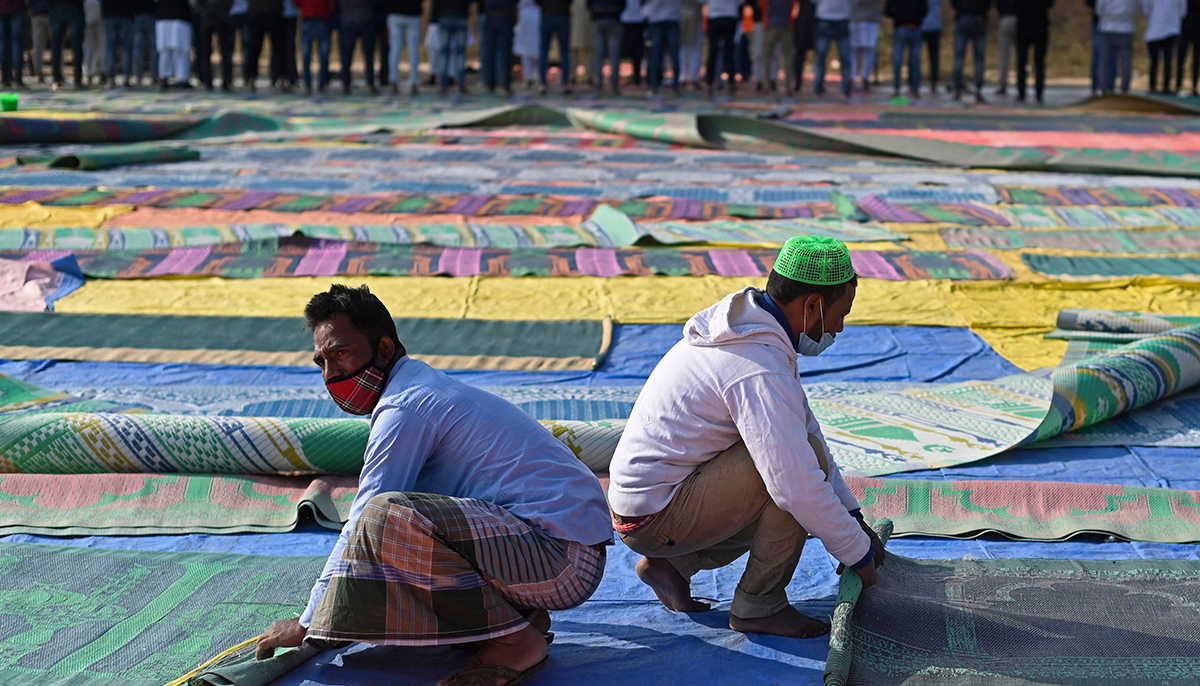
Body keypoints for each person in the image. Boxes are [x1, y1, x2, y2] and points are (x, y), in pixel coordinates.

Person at [254, 285, 611, 686]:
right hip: (555, 550)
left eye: (341, 353)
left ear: (385, 350)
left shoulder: (406, 407)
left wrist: (309, 623)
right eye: (321, 361)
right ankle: (519, 615)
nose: (330, 373)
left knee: (385, 517)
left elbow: (366, 519)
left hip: (560, 560)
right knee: (396, 538)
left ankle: (515, 642)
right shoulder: (419, 390)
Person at [608, 236, 887, 638]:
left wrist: (852, 517)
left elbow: (806, 426)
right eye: (840, 314)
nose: (839, 329)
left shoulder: (752, 331)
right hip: (656, 516)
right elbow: (797, 485)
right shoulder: (757, 363)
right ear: (812, 306)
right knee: (793, 476)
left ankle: (671, 566)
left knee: (796, 457)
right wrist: (858, 556)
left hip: (649, 506)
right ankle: (760, 605)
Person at [950, 0, 989, 102]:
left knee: (959, 56)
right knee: (979, 59)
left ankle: (957, 88)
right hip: (978, 18)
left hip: (963, 17)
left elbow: (953, 3)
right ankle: (978, 90)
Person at [1144, 0, 1186, 93]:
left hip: (1169, 29)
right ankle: (1155, 86)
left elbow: (1182, 11)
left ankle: (1163, 86)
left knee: (1165, 61)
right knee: (1158, 61)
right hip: (1158, 29)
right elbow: (1182, 12)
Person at [885, 0, 924, 96]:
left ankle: (898, 88)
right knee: (911, 60)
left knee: (904, 60)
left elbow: (887, 10)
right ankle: (913, 88)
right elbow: (924, 10)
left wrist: (898, 15)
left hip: (906, 28)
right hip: (909, 27)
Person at [1016, 0, 1053, 102]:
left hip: (1024, 25)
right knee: (1039, 62)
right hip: (1039, 24)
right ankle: (1038, 92)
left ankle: (1022, 92)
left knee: (1022, 61)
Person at [813, 0, 851, 97]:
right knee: (821, 57)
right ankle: (818, 88)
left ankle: (846, 89)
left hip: (838, 19)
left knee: (843, 58)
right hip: (826, 19)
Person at [244, 0, 284, 92]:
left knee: (278, 49)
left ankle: (280, 78)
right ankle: (251, 79)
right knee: (254, 49)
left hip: (274, 13)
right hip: (256, 14)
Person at [195, 0, 236, 90]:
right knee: (208, 52)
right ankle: (210, 81)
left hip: (217, 17)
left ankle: (223, 80)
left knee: (223, 52)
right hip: (213, 17)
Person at [1097, 0, 1135, 94]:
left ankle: (1105, 87)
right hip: (1125, 28)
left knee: (1105, 60)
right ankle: (1124, 87)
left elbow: (1099, 9)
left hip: (1108, 27)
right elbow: (1135, 9)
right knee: (1125, 60)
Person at [338, 0, 376, 94]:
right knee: (368, 56)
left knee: (346, 56)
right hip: (363, 19)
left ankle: (346, 84)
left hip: (348, 19)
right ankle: (370, 82)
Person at [481, 0, 517, 95]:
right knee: (504, 54)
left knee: (489, 53)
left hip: (491, 16)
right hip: (504, 16)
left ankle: (490, 84)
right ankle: (505, 84)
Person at [759, 0, 796, 93]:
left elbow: (761, 5)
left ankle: (766, 85)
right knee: (787, 57)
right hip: (785, 25)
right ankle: (788, 86)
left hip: (771, 25)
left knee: (767, 57)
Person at [297, 0, 334, 93]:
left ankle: (309, 85)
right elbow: (332, 6)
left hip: (313, 20)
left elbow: (296, 4)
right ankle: (319, 84)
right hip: (319, 20)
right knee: (321, 55)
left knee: (309, 55)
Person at [646, 0, 682, 95]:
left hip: (657, 18)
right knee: (672, 54)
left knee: (656, 53)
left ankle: (654, 86)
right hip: (671, 17)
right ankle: (675, 86)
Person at [438, 0, 473, 95]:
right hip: (460, 16)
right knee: (460, 54)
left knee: (445, 54)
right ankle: (461, 84)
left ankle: (443, 85)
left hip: (445, 16)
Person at [705, 0, 740, 95]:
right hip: (728, 14)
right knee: (728, 51)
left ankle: (710, 83)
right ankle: (730, 83)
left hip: (716, 14)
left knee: (714, 51)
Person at [384, 0, 420, 94]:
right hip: (413, 13)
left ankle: (393, 80)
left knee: (395, 49)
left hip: (395, 13)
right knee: (413, 50)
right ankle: (413, 82)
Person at [590, 0, 625, 94]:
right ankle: (614, 84)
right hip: (612, 18)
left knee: (599, 54)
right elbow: (623, 4)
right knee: (614, 54)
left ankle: (598, 84)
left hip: (599, 18)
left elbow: (588, 4)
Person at [154, 0, 191, 88]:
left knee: (166, 50)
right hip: (180, 17)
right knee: (180, 51)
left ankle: (165, 77)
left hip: (167, 17)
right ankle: (181, 78)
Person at [537, 0, 571, 94]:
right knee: (564, 51)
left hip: (548, 15)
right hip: (561, 15)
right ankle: (565, 83)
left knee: (544, 51)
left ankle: (542, 84)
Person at [49, 0, 85, 88]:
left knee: (56, 45)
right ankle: (77, 79)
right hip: (74, 7)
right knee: (77, 45)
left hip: (56, 7)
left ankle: (56, 79)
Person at [102, 0, 135, 88]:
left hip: (109, 15)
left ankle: (110, 79)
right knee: (126, 48)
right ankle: (126, 77)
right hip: (126, 15)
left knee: (110, 49)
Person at [849, 0, 879, 91]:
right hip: (855, 19)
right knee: (854, 50)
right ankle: (853, 77)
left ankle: (865, 78)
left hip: (871, 19)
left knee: (869, 50)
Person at [516, 0, 542, 86]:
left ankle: (538, 77)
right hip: (524, 18)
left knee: (537, 50)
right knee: (526, 51)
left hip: (537, 16)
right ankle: (529, 78)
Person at [791, 0, 816, 92]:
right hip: (802, 23)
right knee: (799, 54)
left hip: (814, 22)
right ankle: (797, 82)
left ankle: (818, 85)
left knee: (820, 55)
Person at [621, 0, 646, 86]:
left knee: (636, 52)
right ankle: (634, 76)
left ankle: (636, 77)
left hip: (635, 19)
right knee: (632, 51)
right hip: (629, 19)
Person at [0, 0, 25, 87]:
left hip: (2, 8)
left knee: (3, 45)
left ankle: (5, 78)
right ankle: (18, 78)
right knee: (17, 45)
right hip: (17, 8)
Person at [1178, 0, 1200, 95]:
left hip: (1197, 29)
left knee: (1196, 59)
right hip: (1185, 28)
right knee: (1182, 57)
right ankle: (1178, 85)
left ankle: (1194, 87)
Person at [679, 0, 703, 88]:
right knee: (688, 46)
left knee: (689, 46)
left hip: (686, 11)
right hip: (685, 12)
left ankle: (688, 76)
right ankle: (687, 77)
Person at [994, 0, 1015, 94]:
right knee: (1021, 56)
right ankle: (1021, 86)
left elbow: (997, 4)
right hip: (1021, 19)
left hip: (1005, 18)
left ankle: (1002, 84)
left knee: (1004, 56)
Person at [919, 0, 940, 93]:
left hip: (922, 25)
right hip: (934, 26)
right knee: (934, 57)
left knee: (916, 57)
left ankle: (913, 84)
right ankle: (933, 83)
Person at [571, 0, 593, 86]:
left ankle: (572, 76)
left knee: (574, 48)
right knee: (588, 48)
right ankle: (590, 76)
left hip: (576, 10)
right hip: (586, 11)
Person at [81, 0, 102, 84]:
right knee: (101, 43)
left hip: (87, 5)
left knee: (88, 44)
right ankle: (102, 70)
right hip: (98, 5)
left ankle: (88, 72)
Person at [31, 0, 49, 83]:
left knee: (38, 46)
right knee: (58, 45)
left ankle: (38, 72)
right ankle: (58, 74)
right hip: (52, 12)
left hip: (37, 13)